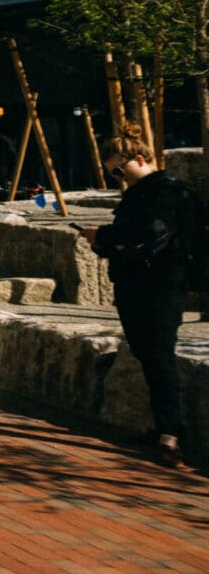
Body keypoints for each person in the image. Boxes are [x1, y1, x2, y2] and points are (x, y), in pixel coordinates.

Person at [82, 123, 195, 467]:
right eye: (112, 172)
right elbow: (127, 242)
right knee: (147, 355)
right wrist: (101, 241)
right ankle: (164, 426)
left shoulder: (167, 191)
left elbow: (149, 232)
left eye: (119, 169)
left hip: (161, 286)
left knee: (159, 356)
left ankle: (170, 437)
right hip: (133, 285)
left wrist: (104, 233)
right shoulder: (136, 194)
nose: (118, 176)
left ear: (140, 158)